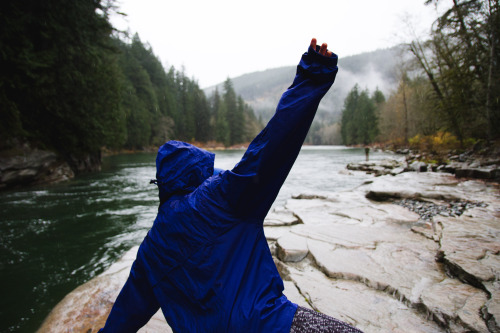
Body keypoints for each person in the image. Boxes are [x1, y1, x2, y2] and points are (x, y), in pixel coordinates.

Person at [100, 38, 363, 333]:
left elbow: (125, 314)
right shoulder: (221, 196)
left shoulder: (151, 249)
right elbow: (272, 144)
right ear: (198, 170)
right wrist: (312, 76)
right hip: (267, 324)